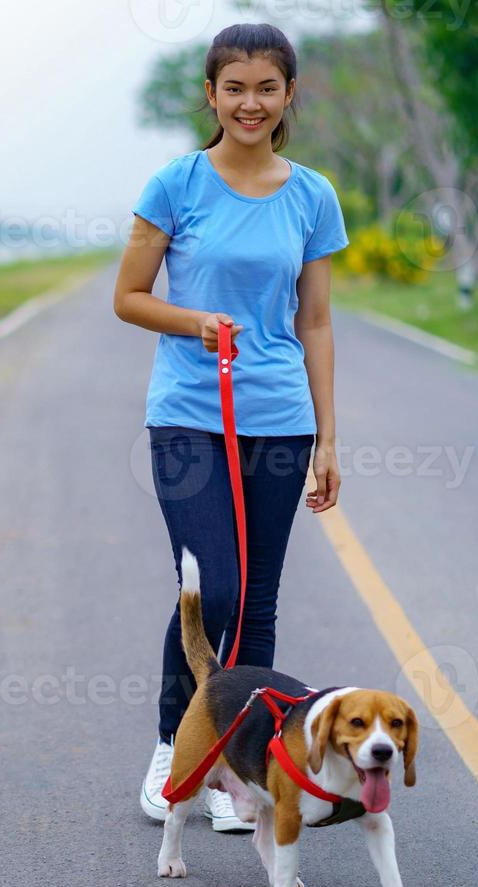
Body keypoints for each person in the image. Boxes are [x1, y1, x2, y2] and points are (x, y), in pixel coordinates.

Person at [112, 23, 349, 832]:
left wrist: (326, 437)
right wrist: (195, 325)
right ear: (211, 95)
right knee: (215, 588)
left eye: (267, 87)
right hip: (189, 414)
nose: (251, 103)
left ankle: (238, 771)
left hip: (278, 421)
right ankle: (174, 744)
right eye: (235, 88)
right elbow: (129, 296)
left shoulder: (312, 194)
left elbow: (314, 321)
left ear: (289, 95)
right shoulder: (175, 184)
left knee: (260, 601)